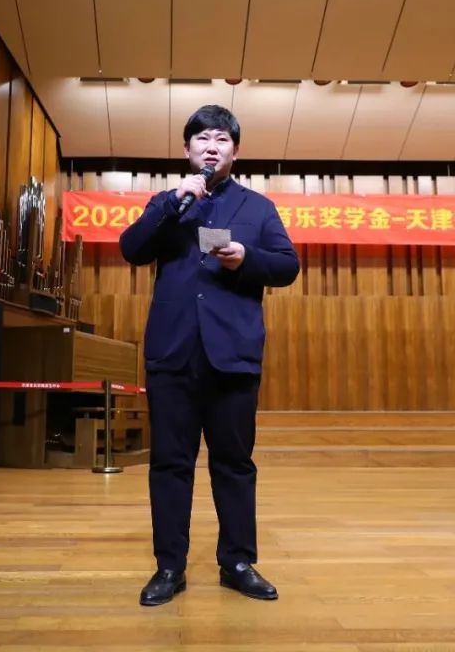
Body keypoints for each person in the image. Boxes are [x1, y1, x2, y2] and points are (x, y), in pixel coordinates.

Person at [119, 105, 300, 606]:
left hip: (233, 356)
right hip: (173, 353)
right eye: (201, 139)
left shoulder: (257, 208)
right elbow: (131, 248)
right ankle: (169, 567)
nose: (211, 146)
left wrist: (246, 258)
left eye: (221, 139)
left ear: (235, 152)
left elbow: (288, 266)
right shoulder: (168, 202)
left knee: (234, 464)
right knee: (169, 464)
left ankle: (237, 562)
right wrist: (173, 201)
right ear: (187, 150)